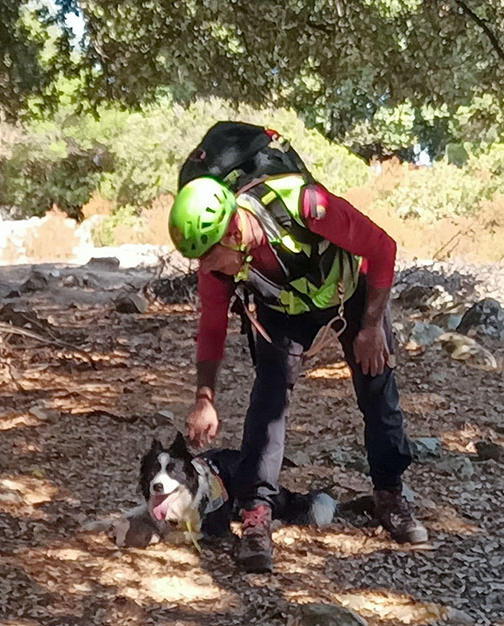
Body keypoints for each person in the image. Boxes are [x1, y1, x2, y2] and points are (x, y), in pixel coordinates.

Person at [167, 122, 427, 573]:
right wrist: (203, 400)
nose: (205, 268)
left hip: (350, 294)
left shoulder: (305, 204)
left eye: (209, 256)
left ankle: (390, 494)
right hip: (283, 307)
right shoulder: (219, 266)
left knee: (377, 391)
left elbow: (382, 248)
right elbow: (211, 328)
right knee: (268, 402)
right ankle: (256, 514)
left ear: (232, 230)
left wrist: (370, 328)